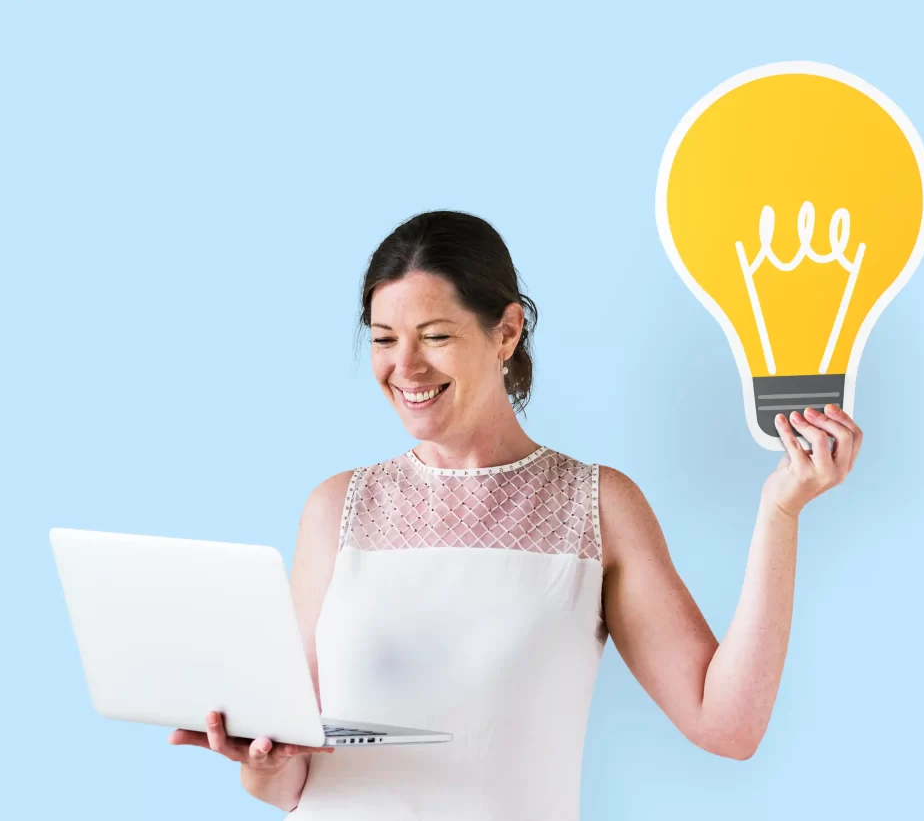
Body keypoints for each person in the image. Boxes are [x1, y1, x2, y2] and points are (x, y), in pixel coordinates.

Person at [168, 210, 863, 818]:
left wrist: (781, 513)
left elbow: (728, 725)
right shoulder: (335, 509)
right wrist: (260, 763)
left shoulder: (595, 506)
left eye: (434, 336)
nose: (404, 366)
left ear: (506, 332)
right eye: (383, 338)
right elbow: (292, 782)